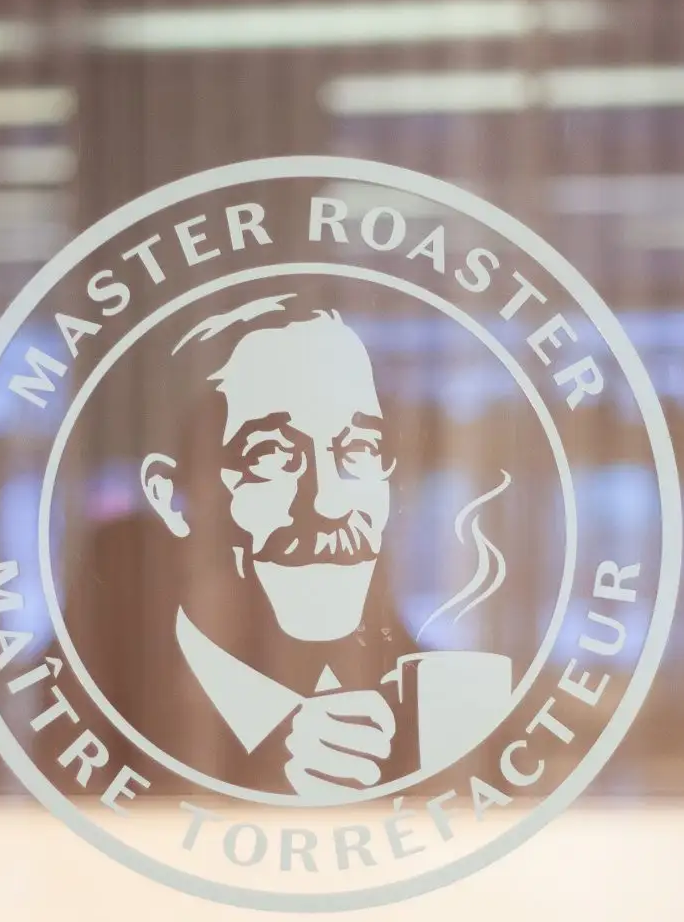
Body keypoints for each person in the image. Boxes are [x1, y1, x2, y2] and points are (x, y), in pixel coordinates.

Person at [111, 291, 511, 801]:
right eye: (272, 455)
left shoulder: (436, 710)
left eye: (358, 449)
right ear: (173, 499)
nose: (328, 501)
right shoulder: (112, 705)